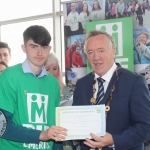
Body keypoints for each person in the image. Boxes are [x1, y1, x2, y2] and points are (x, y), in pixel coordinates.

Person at [72, 30, 150, 150]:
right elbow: (76, 123)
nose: (96, 57)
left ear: (113, 52)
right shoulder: (82, 84)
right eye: (90, 52)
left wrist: (114, 140)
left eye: (101, 51)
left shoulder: (135, 82)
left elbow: (145, 128)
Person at [0, 25, 67, 150]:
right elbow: (2, 126)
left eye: (44, 47)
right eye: (34, 46)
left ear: (49, 49)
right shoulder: (9, 76)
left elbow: (55, 127)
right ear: (23, 48)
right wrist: (41, 135)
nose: (40, 53)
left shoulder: (53, 83)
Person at [45, 53, 74, 150]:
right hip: (45, 141)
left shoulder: (70, 92)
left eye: (54, 68)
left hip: (68, 141)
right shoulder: (36, 94)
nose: (52, 73)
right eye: (47, 69)